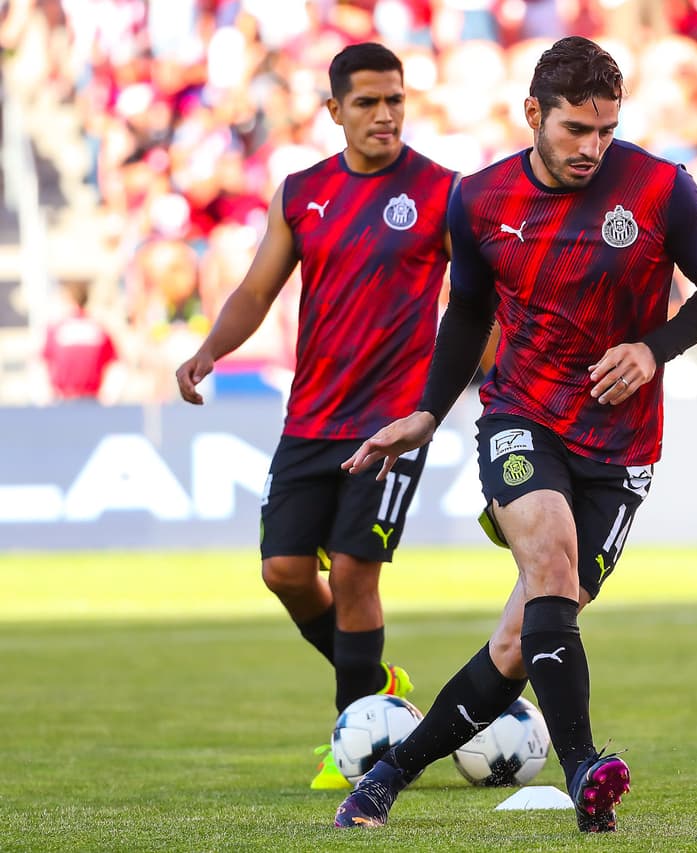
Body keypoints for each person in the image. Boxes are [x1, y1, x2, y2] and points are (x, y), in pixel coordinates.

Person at [333, 35, 697, 834]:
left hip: (622, 444)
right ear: (534, 114)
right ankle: (586, 763)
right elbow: (468, 313)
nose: (594, 148)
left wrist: (652, 347)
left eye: (606, 130)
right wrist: (427, 408)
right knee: (551, 559)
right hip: (522, 414)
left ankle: (387, 775)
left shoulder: (661, 187)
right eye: (575, 131)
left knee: (524, 639)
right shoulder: (480, 201)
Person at [173, 42, 456, 791]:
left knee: (357, 574)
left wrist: (463, 383)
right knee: (284, 571)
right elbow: (257, 291)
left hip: (392, 422)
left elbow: (482, 301)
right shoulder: (302, 192)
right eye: (366, 102)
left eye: (394, 99)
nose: (384, 114)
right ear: (334, 111)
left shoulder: (440, 192)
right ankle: (379, 680)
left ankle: (355, 752)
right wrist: (208, 349)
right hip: (311, 416)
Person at [40, 278, 120, 402]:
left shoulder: (56, 329)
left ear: (69, 300)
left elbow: (41, 362)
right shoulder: (100, 329)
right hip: (92, 401)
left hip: (63, 400)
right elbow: (116, 363)